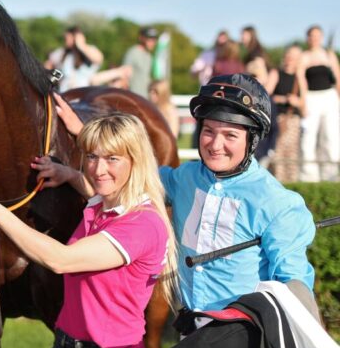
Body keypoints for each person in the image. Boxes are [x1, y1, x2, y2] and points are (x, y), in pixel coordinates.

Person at [0, 113, 177, 348]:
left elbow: (62, 260)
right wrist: (69, 174)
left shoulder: (142, 223)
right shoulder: (100, 206)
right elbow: (93, 188)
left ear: (136, 161)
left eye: (112, 159)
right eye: (92, 156)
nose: (98, 169)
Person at [51, 74, 318, 321]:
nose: (215, 144)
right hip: (190, 332)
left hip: (244, 341)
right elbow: (128, 175)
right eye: (209, 131)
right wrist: (82, 138)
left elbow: (295, 287)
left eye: (230, 135)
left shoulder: (280, 204)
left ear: (253, 139)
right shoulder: (184, 178)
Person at [297, 25, 340, 182]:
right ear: (308, 38)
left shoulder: (329, 55)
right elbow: (301, 80)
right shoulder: (304, 56)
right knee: (309, 137)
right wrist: (303, 102)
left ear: (321, 37)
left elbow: (337, 77)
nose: (314, 39)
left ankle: (331, 176)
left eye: (317, 36)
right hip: (311, 97)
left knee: (331, 137)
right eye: (311, 36)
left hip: (329, 97)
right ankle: (309, 177)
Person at [44, 27, 131, 92]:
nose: (65, 41)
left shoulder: (88, 50)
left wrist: (80, 45)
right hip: (65, 94)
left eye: (67, 38)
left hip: (85, 98)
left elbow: (99, 58)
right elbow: (49, 64)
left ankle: (120, 72)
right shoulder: (63, 53)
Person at [271, 45, 304, 182]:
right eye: (289, 55)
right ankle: (279, 182)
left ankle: (291, 183)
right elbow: (267, 94)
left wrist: (296, 102)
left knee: (292, 155)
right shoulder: (276, 73)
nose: (290, 59)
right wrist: (283, 99)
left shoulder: (300, 77)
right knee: (278, 154)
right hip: (279, 119)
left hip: (294, 120)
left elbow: (304, 104)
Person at [122, 26, 158, 98]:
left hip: (145, 98)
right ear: (141, 38)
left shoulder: (149, 56)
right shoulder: (133, 53)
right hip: (133, 98)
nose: (153, 42)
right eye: (150, 39)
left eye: (154, 39)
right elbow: (123, 76)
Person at [241, 25, 278, 93]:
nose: (242, 37)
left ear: (251, 35)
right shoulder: (250, 54)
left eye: (244, 34)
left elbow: (262, 78)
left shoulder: (256, 54)